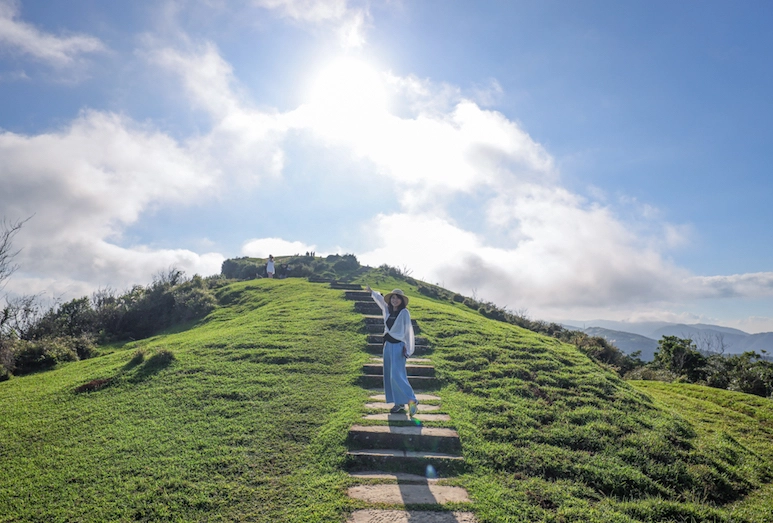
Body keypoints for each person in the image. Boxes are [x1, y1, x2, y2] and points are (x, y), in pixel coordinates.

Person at [366, 286, 419, 416]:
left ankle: (412, 400)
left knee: (397, 375)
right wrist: (372, 292)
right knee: (390, 376)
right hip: (387, 346)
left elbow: (408, 330)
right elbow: (380, 300)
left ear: (401, 300)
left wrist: (408, 346)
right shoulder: (388, 310)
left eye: (397, 298)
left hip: (398, 347)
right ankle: (399, 404)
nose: (395, 300)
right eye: (393, 298)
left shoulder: (404, 313)